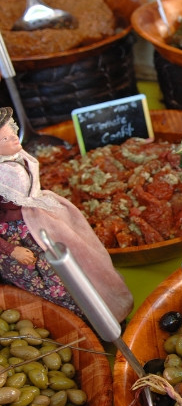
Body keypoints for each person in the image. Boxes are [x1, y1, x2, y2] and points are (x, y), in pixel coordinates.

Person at [0, 107, 133, 322]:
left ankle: (106, 311)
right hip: (21, 238)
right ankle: (81, 322)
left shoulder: (19, 157)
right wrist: (11, 249)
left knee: (84, 258)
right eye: (5, 137)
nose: (14, 138)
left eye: (12, 131)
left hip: (44, 217)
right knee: (56, 280)